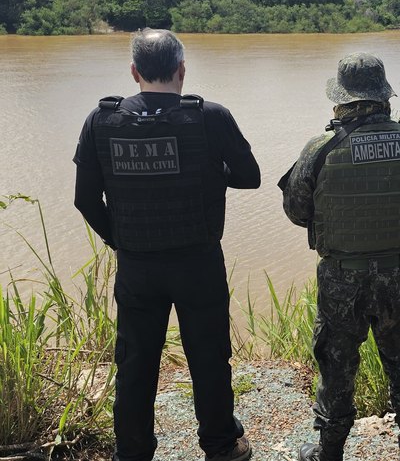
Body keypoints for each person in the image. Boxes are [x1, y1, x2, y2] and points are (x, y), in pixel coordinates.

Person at [73, 29, 260, 461]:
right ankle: (219, 445)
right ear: (181, 70)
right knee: (209, 355)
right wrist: (210, 173)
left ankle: (133, 453)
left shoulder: (101, 120)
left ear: (135, 72)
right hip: (198, 261)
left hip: (137, 264)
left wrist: (117, 240)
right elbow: (250, 176)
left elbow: (85, 199)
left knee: (135, 362)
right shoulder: (210, 116)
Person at [281, 52, 400, 461]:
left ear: (342, 100)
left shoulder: (320, 148)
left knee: (337, 366)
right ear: (384, 97)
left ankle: (329, 451)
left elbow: (296, 211)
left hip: (342, 278)